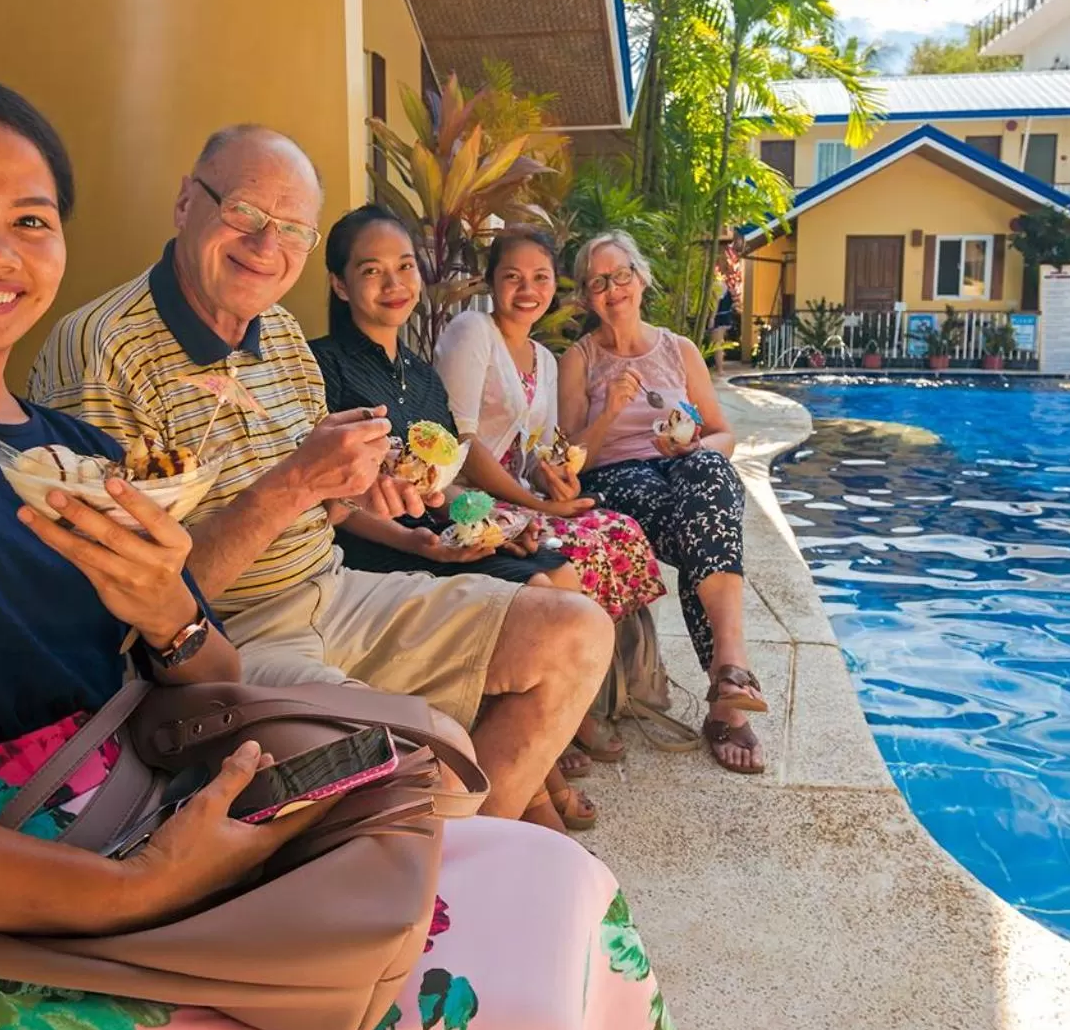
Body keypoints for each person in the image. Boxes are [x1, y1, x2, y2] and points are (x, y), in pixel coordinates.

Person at [0, 71, 674, 1030]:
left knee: (555, 891)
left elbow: (195, 661)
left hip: (153, 807)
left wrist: (168, 607)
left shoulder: (75, 447)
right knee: (493, 1012)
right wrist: (120, 890)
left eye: (29, 219)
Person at [28, 125, 611, 832]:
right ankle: (440, 874)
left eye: (293, 231)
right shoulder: (102, 350)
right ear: (187, 201)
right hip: (222, 643)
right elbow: (126, 611)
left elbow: (324, 514)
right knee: (430, 767)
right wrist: (298, 483)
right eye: (244, 213)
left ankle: (443, 875)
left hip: (332, 592)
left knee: (574, 630)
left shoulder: (281, 340)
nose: (265, 245)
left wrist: (369, 493)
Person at [307, 205, 598, 830]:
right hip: (370, 548)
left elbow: (439, 482)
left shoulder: (418, 374)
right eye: (372, 270)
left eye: (405, 267)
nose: (395, 284)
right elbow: (331, 505)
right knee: (540, 591)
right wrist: (428, 546)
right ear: (339, 284)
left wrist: (492, 526)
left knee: (560, 575)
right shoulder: (322, 367)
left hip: (431, 536)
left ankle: (539, 766)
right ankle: (537, 799)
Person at [434, 227, 669, 770]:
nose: (527, 289)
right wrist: (540, 506)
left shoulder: (544, 357)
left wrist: (558, 479)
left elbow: (541, 451)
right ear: (491, 282)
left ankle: (582, 691)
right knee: (574, 550)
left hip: (520, 498)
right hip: (469, 502)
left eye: (540, 277)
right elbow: (462, 444)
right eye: (512, 276)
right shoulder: (474, 331)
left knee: (617, 530)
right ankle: (559, 711)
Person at [558, 230, 769, 775]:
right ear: (586, 296)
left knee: (708, 469)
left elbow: (723, 435)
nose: (613, 289)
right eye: (598, 281)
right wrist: (611, 410)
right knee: (707, 535)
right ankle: (728, 690)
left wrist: (691, 445)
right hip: (616, 477)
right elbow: (571, 460)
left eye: (621, 275)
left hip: (681, 468)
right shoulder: (579, 360)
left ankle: (728, 662)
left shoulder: (680, 350)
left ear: (642, 278)